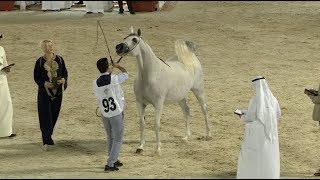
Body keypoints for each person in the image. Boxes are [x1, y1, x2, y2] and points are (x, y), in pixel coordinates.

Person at [236, 76, 281, 179]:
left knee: (254, 155)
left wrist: (241, 115)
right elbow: (277, 114)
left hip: (256, 134)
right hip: (271, 133)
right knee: (268, 155)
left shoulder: (255, 100)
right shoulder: (273, 99)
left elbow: (251, 117)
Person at [93, 57, 128, 172]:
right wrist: (117, 66)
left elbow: (106, 80)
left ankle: (113, 158)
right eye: (109, 64)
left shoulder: (95, 83)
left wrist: (110, 70)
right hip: (116, 113)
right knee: (118, 138)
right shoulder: (114, 79)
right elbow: (126, 73)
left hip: (104, 113)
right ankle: (110, 163)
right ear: (108, 67)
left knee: (110, 137)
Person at [33, 39, 68, 151]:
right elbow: (36, 77)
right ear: (43, 48)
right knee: (44, 115)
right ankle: (46, 139)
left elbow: (65, 73)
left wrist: (63, 80)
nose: (50, 47)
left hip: (57, 92)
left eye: (51, 45)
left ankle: (48, 136)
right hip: (44, 93)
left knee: (54, 114)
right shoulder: (39, 62)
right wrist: (44, 83)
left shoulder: (60, 59)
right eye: (48, 46)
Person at [0, 33, 16, 138]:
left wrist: (7, 68)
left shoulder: (1, 49)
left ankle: (6, 131)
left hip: (2, 79)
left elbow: (4, 63)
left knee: (6, 103)